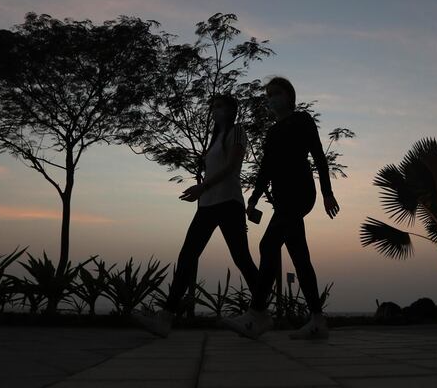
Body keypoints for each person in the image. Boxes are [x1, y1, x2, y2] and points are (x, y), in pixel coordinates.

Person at [223, 76, 340, 340]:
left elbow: (319, 157)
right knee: (300, 257)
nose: (271, 99)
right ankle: (318, 320)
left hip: (301, 194)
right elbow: (266, 169)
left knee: (268, 245)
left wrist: (327, 193)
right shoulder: (272, 132)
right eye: (268, 96)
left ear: (288, 96)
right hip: (283, 199)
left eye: (275, 93)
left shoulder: (302, 120)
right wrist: (253, 198)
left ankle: (257, 314)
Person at [133, 94, 258, 337]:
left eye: (220, 106)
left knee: (241, 257)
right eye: (214, 106)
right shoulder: (214, 139)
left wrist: (203, 186)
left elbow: (232, 166)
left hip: (229, 203)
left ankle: (261, 311)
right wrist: (203, 192)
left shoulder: (238, 132)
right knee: (187, 256)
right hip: (207, 205)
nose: (215, 110)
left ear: (232, 110)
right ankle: (166, 317)